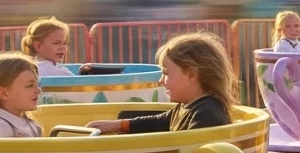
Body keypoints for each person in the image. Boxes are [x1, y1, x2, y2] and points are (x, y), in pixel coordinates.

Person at [87, 33, 235, 133]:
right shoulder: (187, 107)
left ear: (191, 74)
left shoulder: (206, 115)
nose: (161, 81)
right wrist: (117, 125)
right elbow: (160, 120)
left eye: (166, 73)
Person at [0, 53, 42, 137]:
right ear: (4, 94)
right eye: (30, 86)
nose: (38, 90)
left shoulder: (29, 123)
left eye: (37, 85)